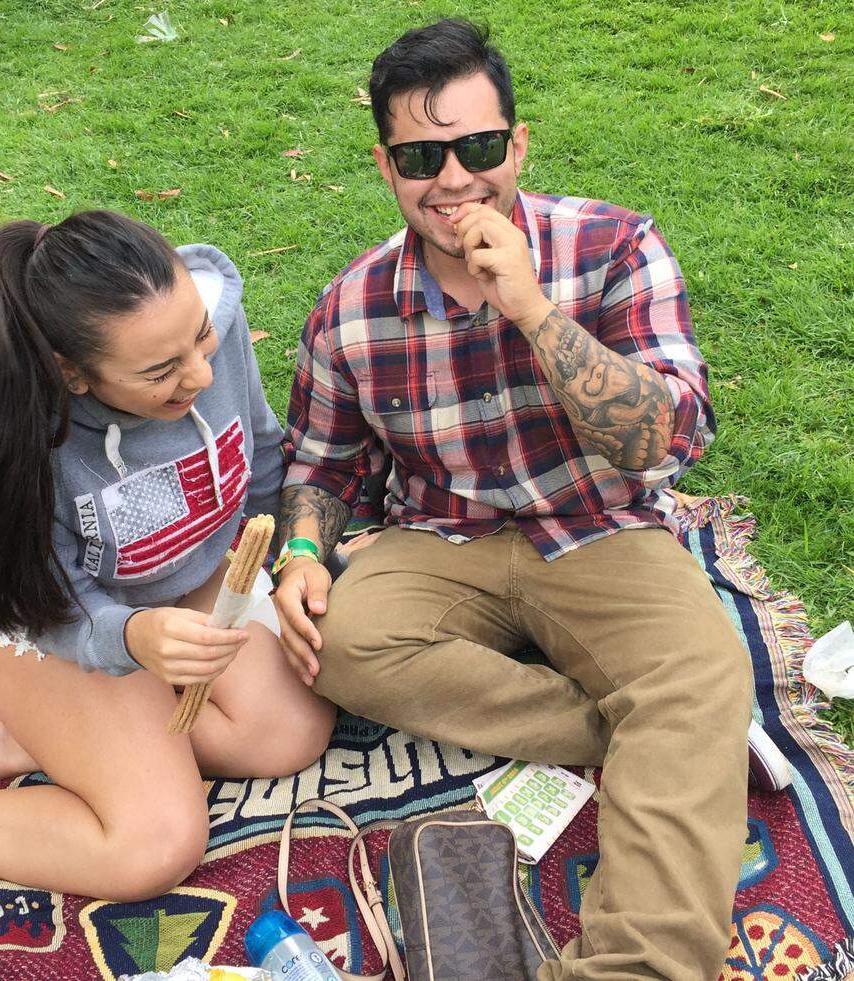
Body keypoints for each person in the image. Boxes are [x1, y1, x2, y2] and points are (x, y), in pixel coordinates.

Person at [271, 19, 789, 980]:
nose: (454, 180)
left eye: (475, 147)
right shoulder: (351, 307)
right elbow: (324, 469)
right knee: (335, 643)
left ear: (515, 145)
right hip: (443, 538)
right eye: (422, 156)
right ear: (388, 167)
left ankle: (635, 962)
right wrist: (302, 554)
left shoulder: (612, 244)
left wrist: (534, 311)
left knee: (696, 667)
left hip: (600, 528)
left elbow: (669, 437)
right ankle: (670, 737)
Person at [0, 210, 336, 963]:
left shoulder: (201, 321)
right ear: (75, 373)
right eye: (162, 373)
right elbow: (53, 609)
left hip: (179, 573)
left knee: (290, 730)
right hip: (46, 621)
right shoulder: (26, 445)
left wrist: (294, 552)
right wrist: (135, 638)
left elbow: (260, 443)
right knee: (156, 841)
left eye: (198, 340)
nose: (200, 375)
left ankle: (45, 736)